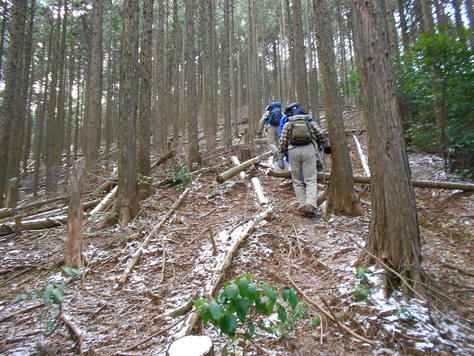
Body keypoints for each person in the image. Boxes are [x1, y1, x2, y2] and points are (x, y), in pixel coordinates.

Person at [278, 103, 331, 218]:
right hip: (309, 150)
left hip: (293, 151)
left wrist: (280, 156)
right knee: (311, 179)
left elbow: (283, 141)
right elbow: (321, 133)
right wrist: (326, 146)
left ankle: (302, 206)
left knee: (297, 180)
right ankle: (311, 205)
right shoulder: (309, 121)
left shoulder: (288, 123)